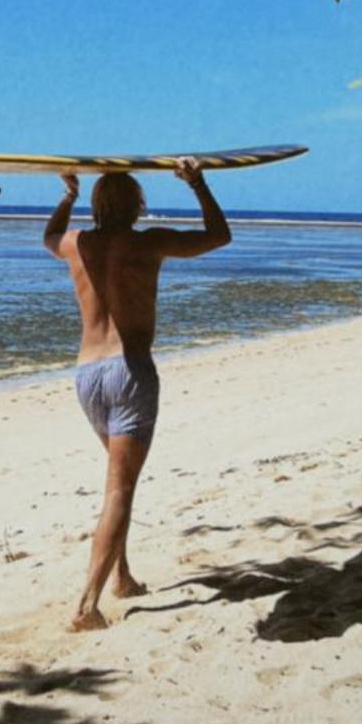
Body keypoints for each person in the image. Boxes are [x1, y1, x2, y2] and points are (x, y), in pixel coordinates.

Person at [43, 158, 231, 631]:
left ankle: (122, 577)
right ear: (139, 205)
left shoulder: (76, 244)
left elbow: (48, 238)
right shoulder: (149, 243)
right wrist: (198, 184)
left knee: (115, 483)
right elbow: (218, 235)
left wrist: (65, 198)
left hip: (87, 375)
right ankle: (86, 607)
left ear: (95, 204)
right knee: (119, 489)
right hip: (129, 369)